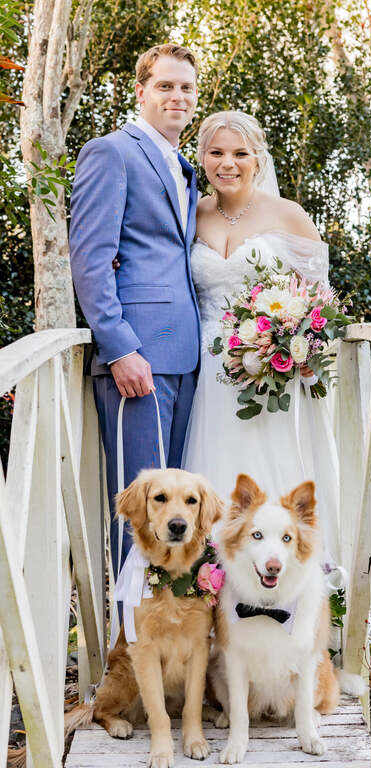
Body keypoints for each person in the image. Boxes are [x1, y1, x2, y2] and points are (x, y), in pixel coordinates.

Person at [181, 111, 340, 563]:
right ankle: (210, 576)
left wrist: (295, 341)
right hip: (204, 369)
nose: (227, 163)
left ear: (257, 158)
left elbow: (320, 299)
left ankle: (286, 573)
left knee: (269, 465)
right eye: (216, 152)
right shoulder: (191, 214)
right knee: (211, 462)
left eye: (240, 153)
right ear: (203, 158)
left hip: (267, 373)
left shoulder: (288, 215)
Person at [69, 44, 201, 577]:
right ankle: (130, 625)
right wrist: (120, 347)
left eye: (186, 87)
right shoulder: (111, 153)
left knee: (177, 515)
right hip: (138, 358)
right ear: (141, 91)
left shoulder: (184, 168)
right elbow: (90, 259)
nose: (177, 96)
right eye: (165, 86)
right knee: (140, 512)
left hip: (186, 358)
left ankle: (169, 623)